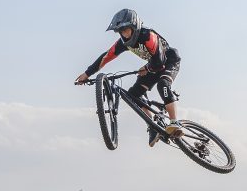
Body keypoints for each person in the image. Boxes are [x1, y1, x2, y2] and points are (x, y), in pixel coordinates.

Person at [75, 8, 184, 141]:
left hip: (169, 61)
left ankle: (175, 122)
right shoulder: (123, 43)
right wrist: (87, 73)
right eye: (120, 31)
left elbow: (159, 62)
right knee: (133, 95)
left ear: (135, 26)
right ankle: (153, 126)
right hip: (153, 67)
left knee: (163, 84)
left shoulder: (148, 36)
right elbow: (105, 57)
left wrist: (147, 68)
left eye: (126, 29)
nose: (124, 34)